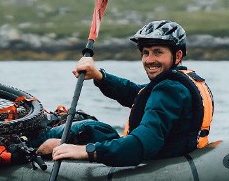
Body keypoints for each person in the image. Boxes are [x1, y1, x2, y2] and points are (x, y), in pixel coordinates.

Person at [38, 19, 214, 168]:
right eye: (146, 53)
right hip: (178, 157)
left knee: (84, 128)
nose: (149, 60)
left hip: (158, 166)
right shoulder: (183, 82)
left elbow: (142, 144)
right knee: (97, 128)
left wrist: (84, 151)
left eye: (158, 52)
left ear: (177, 56)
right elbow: (137, 94)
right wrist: (99, 76)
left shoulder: (169, 89)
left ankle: (29, 148)